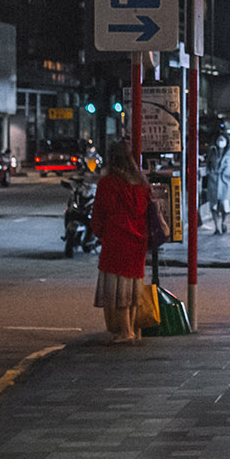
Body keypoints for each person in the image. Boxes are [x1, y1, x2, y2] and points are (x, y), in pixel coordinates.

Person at [91, 141, 152, 343]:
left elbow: (100, 211)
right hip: (139, 240)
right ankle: (132, 329)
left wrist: (99, 232)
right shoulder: (141, 183)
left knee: (118, 289)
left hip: (117, 239)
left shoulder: (108, 183)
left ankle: (125, 331)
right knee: (133, 287)